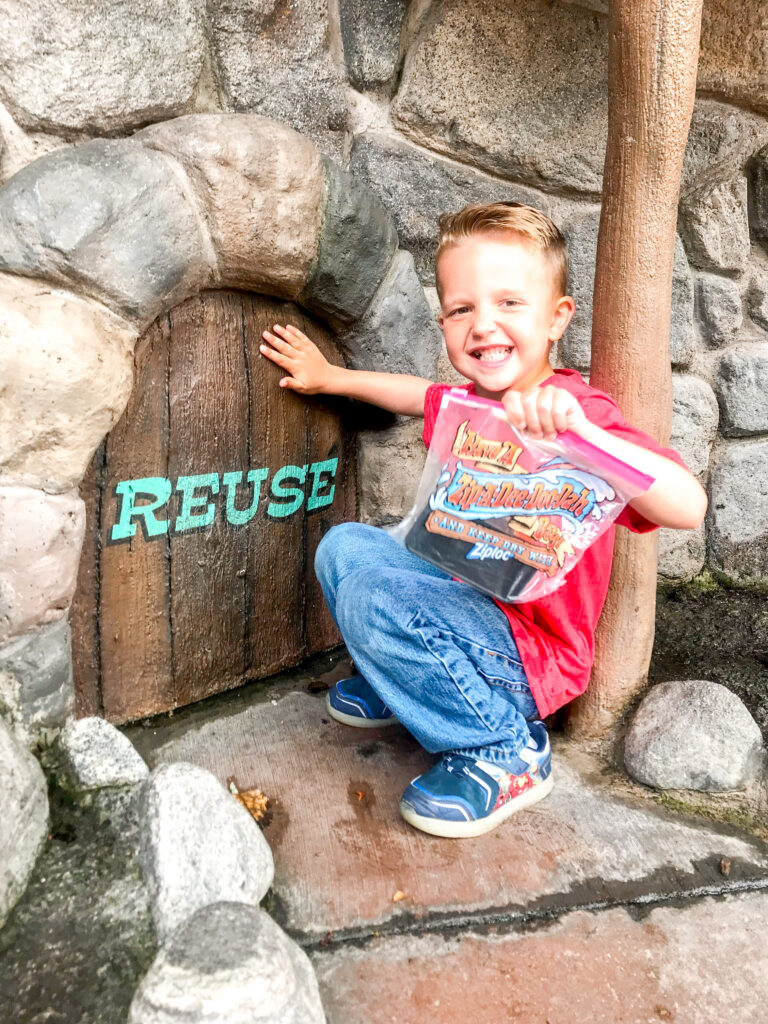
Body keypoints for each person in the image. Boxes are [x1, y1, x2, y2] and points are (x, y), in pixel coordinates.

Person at [259, 202, 707, 839]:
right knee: (344, 547)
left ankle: (502, 748)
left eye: (509, 304)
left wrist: (580, 437)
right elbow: (417, 394)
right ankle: (408, 682)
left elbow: (686, 506)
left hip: (527, 657)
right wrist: (331, 377)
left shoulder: (580, 413)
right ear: (444, 321)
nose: (482, 324)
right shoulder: (471, 404)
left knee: (373, 596)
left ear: (556, 319)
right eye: (462, 309)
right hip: (456, 608)